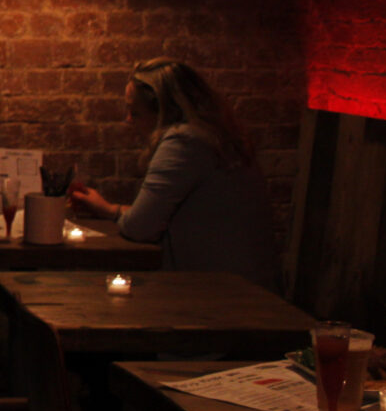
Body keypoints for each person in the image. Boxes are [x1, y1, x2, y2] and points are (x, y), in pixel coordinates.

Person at [70, 57, 277, 289]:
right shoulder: (214, 135)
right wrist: (110, 210)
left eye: (134, 112)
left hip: (219, 290)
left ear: (163, 111)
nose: (128, 121)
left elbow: (140, 227)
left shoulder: (184, 141)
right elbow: (161, 215)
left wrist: (115, 213)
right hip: (241, 280)